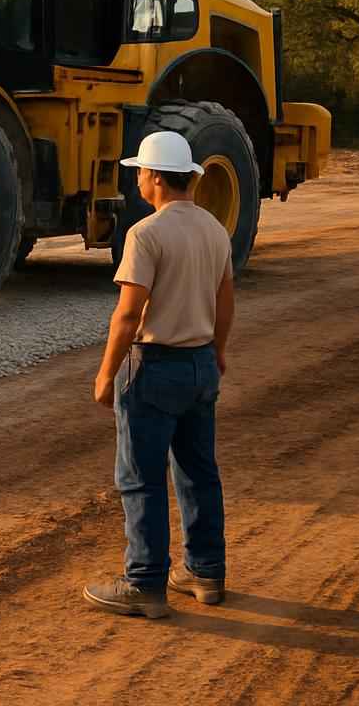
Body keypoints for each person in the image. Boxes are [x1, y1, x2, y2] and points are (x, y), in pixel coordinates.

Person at [82, 130, 235, 619]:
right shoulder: (214, 229)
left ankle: (144, 583)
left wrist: (107, 373)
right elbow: (225, 300)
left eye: (140, 173)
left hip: (154, 368)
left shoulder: (145, 234)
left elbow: (128, 314)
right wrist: (218, 351)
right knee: (198, 472)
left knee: (141, 478)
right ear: (187, 176)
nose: (139, 181)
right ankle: (205, 571)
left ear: (152, 178)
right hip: (200, 363)